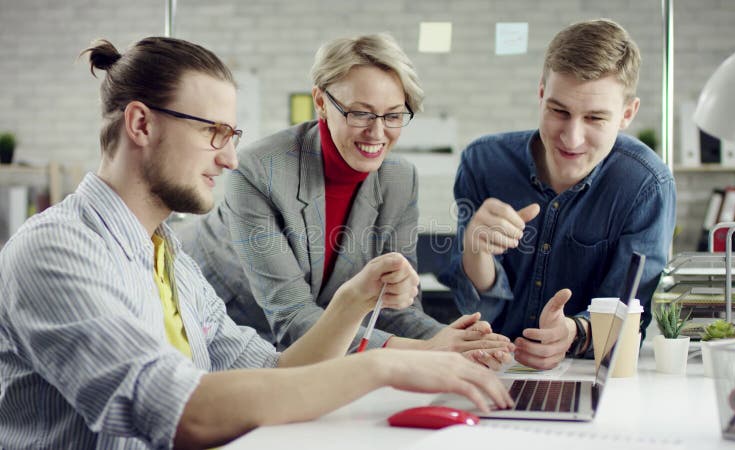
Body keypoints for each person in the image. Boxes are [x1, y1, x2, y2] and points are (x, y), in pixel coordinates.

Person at [0, 36, 513, 450]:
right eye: (214, 133)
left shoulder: (171, 261)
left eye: (232, 136)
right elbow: (176, 411)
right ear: (140, 124)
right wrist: (386, 362)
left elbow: (279, 368)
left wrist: (356, 299)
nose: (229, 159)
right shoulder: (56, 251)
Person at [179, 33, 513, 368]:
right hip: (219, 336)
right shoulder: (258, 170)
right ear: (321, 102)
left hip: (316, 352)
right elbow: (294, 319)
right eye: (360, 113)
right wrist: (428, 351)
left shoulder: (399, 179)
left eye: (393, 115)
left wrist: (457, 340)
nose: (377, 133)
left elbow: (395, 308)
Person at [440, 19, 676, 370]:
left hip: (582, 372)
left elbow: (627, 317)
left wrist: (574, 332)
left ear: (627, 114)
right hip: (490, 367)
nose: (572, 138)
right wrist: (476, 252)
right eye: (558, 111)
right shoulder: (483, 163)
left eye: (595, 118)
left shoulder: (646, 185)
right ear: (540, 93)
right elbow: (478, 309)